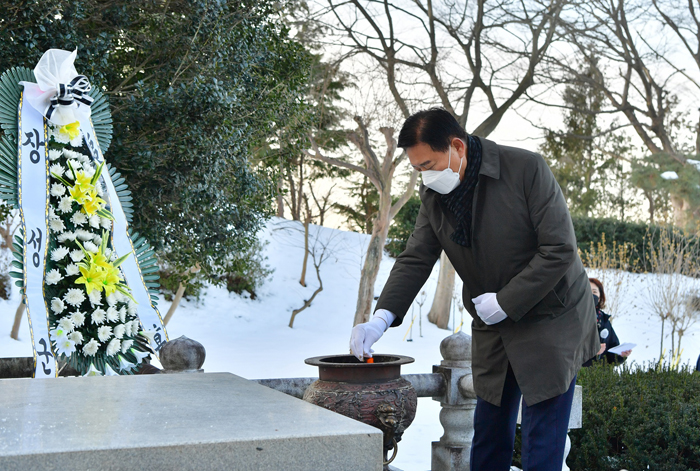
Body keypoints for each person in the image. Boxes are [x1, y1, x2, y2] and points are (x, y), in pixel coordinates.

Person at [349, 108, 599, 471]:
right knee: (488, 430)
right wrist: (381, 319)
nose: (424, 175)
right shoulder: (435, 195)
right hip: (493, 322)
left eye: (429, 164)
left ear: (457, 146)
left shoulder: (526, 169)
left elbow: (559, 249)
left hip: (552, 317)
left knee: (541, 437)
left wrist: (507, 300)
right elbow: (416, 257)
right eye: (417, 168)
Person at [583, 278, 632, 366]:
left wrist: (621, 355)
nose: (591, 295)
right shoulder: (573, 318)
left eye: (594, 292)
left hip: (599, 376)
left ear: (600, 297)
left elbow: (611, 355)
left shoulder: (604, 320)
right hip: (579, 375)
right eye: (587, 291)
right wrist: (592, 351)